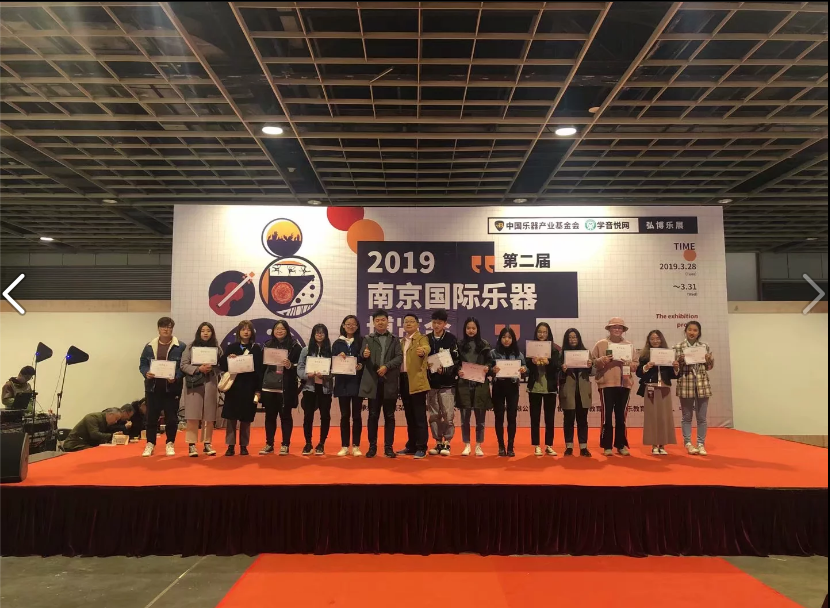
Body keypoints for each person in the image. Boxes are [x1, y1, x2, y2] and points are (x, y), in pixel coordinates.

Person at [359, 309, 402, 459]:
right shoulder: (368, 338)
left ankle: (388, 448)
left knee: (389, 416)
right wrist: (364, 355)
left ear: (387, 321)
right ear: (373, 323)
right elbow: (361, 356)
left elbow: (399, 357)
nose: (380, 322)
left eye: (383, 320)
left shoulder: (394, 339)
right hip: (373, 382)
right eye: (377, 320)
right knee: (373, 415)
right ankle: (372, 447)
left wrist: (386, 367)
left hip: (389, 382)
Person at [139, 317, 185, 457]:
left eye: (169, 327)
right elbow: (142, 363)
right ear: (158, 328)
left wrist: (176, 376)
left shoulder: (180, 346)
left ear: (172, 329)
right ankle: (150, 443)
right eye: (163, 327)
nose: (166, 329)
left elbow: (184, 366)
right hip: (153, 388)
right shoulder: (149, 346)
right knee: (151, 418)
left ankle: (170, 443)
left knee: (172, 418)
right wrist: (146, 372)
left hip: (172, 389)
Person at [592, 317, 638, 457]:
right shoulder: (601, 344)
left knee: (621, 417)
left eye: (619, 327)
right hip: (606, 384)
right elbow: (593, 363)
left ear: (623, 330)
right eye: (614, 327)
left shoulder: (629, 345)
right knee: (607, 416)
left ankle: (621, 445)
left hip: (624, 383)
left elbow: (635, 365)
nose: (617, 329)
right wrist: (602, 360)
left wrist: (630, 363)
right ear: (609, 329)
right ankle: (607, 446)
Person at [219, 320, 263, 456]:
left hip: (249, 388)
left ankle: (244, 446)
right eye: (243, 329)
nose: (246, 332)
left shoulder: (256, 348)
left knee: (246, 419)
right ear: (238, 332)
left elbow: (259, 370)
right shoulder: (232, 347)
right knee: (231, 418)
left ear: (252, 332)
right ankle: (230, 446)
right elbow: (222, 365)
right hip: (234, 388)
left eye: (248, 329)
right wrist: (229, 358)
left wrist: (258, 390)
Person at [180, 322, 223, 457]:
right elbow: (183, 365)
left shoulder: (217, 348)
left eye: (208, 331)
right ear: (199, 333)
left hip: (210, 383)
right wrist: (198, 368)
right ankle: (191, 445)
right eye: (203, 331)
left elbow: (222, 366)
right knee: (192, 415)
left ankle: (207, 443)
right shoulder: (190, 347)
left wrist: (213, 369)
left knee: (209, 415)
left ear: (212, 333)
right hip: (194, 384)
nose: (205, 333)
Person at [259, 320, 302, 455]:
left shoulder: (295, 346)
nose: (279, 331)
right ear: (273, 331)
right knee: (270, 417)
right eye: (277, 328)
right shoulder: (267, 345)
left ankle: (285, 445)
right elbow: (261, 367)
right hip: (269, 387)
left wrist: (290, 365)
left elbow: (300, 366)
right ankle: (269, 444)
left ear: (287, 331)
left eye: (282, 329)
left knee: (285, 417)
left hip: (285, 387)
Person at [673, 321, 715, 456]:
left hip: (702, 384)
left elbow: (708, 367)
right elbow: (675, 370)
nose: (692, 332)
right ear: (685, 331)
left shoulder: (704, 346)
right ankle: (688, 443)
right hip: (686, 384)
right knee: (687, 417)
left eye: (695, 330)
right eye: (689, 330)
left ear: (699, 332)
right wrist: (679, 361)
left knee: (702, 417)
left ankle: (701, 443)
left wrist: (709, 360)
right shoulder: (678, 347)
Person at [637, 330, 680, 455]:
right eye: (652, 339)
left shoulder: (668, 354)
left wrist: (676, 367)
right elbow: (638, 373)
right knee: (652, 417)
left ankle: (662, 445)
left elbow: (673, 375)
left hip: (665, 387)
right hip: (650, 387)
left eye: (657, 338)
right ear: (648, 341)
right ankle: (654, 445)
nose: (655, 341)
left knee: (664, 417)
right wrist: (646, 367)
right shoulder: (644, 356)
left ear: (661, 340)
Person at [396, 313, 431, 459]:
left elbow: (426, 348)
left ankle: (421, 447)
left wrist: (423, 351)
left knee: (419, 416)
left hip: (417, 380)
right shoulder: (401, 341)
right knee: (409, 415)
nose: (408, 324)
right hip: (403, 379)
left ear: (418, 324)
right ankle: (411, 445)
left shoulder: (421, 338)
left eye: (411, 321)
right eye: (406, 322)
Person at [456, 317, 493, 457]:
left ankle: (478, 445)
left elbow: (490, 362)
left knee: (480, 419)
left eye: (473, 328)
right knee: (465, 418)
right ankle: (466, 444)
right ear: (464, 329)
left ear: (477, 329)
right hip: (464, 385)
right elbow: (455, 362)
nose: (471, 330)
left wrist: (487, 368)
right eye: (468, 328)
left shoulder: (485, 345)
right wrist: (458, 370)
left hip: (480, 385)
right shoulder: (459, 344)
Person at [426, 309, 459, 456]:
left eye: (439, 323)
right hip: (431, 383)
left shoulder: (451, 339)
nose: (436, 325)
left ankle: (448, 442)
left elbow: (457, 361)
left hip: (447, 383)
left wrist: (445, 370)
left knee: (448, 415)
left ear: (445, 323)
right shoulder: (426, 339)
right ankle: (438, 441)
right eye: (434, 322)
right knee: (434, 415)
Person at [298, 324, 334, 455]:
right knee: (308, 416)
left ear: (326, 335)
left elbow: (334, 370)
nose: (319, 335)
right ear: (313, 334)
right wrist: (307, 375)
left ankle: (321, 443)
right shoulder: (306, 350)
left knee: (325, 416)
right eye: (317, 332)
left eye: (322, 333)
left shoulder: (330, 351)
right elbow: (300, 367)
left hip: (325, 388)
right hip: (309, 388)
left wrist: (325, 376)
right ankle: (308, 443)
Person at [526, 322, 561, 456]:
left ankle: (549, 445)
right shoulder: (531, 348)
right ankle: (536, 445)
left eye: (544, 332)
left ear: (548, 333)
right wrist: (532, 362)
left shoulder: (554, 349)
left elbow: (557, 366)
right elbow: (526, 366)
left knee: (549, 418)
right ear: (536, 333)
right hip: (535, 387)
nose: (542, 334)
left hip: (549, 388)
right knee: (535, 418)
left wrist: (548, 362)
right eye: (539, 332)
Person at [332, 315, 365, 457]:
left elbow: (365, 359)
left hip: (357, 383)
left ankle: (356, 446)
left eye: (354, 324)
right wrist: (338, 358)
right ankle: (344, 446)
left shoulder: (362, 341)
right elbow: (332, 362)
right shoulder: (337, 343)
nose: (351, 326)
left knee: (357, 415)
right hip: (342, 384)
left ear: (357, 327)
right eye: (348, 324)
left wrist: (360, 365)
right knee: (345, 415)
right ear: (343, 325)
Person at [491, 327, 526, 457]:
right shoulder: (493, 353)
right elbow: (487, 368)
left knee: (512, 417)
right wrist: (492, 369)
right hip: (498, 387)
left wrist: (523, 369)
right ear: (500, 338)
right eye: (504, 337)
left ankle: (510, 446)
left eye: (509, 337)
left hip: (512, 388)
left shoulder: (518, 354)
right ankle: (501, 446)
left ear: (513, 339)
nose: (506, 340)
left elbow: (525, 367)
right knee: (499, 417)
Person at [559, 328, 593, 457]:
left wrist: (590, 366)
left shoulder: (586, 353)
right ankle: (569, 446)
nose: (573, 339)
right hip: (568, 391)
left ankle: (583, 447)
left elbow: (593, 372)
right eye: (570, 337)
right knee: (568, 420)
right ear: (566, 339)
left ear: (579, 339)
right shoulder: (561, 355)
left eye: (575, 337)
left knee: (582, 420)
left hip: (582, 391)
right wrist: (562, 370)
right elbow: (556, 374)